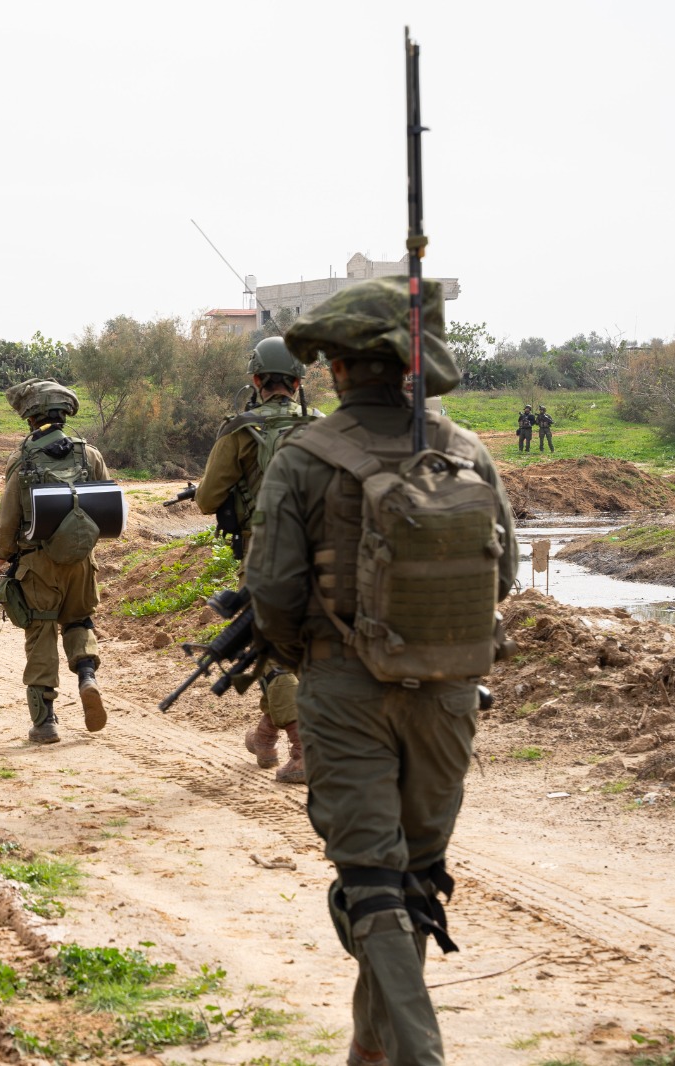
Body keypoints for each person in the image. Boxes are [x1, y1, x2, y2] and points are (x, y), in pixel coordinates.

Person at [246, 278, 518, 1066]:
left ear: (335, 367)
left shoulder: (305, 457)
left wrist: (315, 660)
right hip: (451, 693)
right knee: (415, 879)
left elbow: (272, 591)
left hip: (345, 693)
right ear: (412, 364)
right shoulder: (466, 451)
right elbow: (501, 579)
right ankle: (371, 1046)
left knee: (371, 881)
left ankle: (416, 1054)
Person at [195, 336, 320, 783]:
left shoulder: (240, 430)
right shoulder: (324, 427)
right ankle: (265, 735)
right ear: (298, 382)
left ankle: (304, 750)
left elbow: (206, 500)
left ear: (255, 380)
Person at [0, 379, 110, 744]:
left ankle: (45, 722)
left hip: (38, 563)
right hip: (81, 562)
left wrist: (1, 556)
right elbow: (105, 503)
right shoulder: (89, 454)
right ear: (63, 414)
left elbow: (8, 519)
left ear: (30, 417)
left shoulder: (23, 458)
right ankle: (87, 676)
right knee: (79, 620)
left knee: (41, 630)